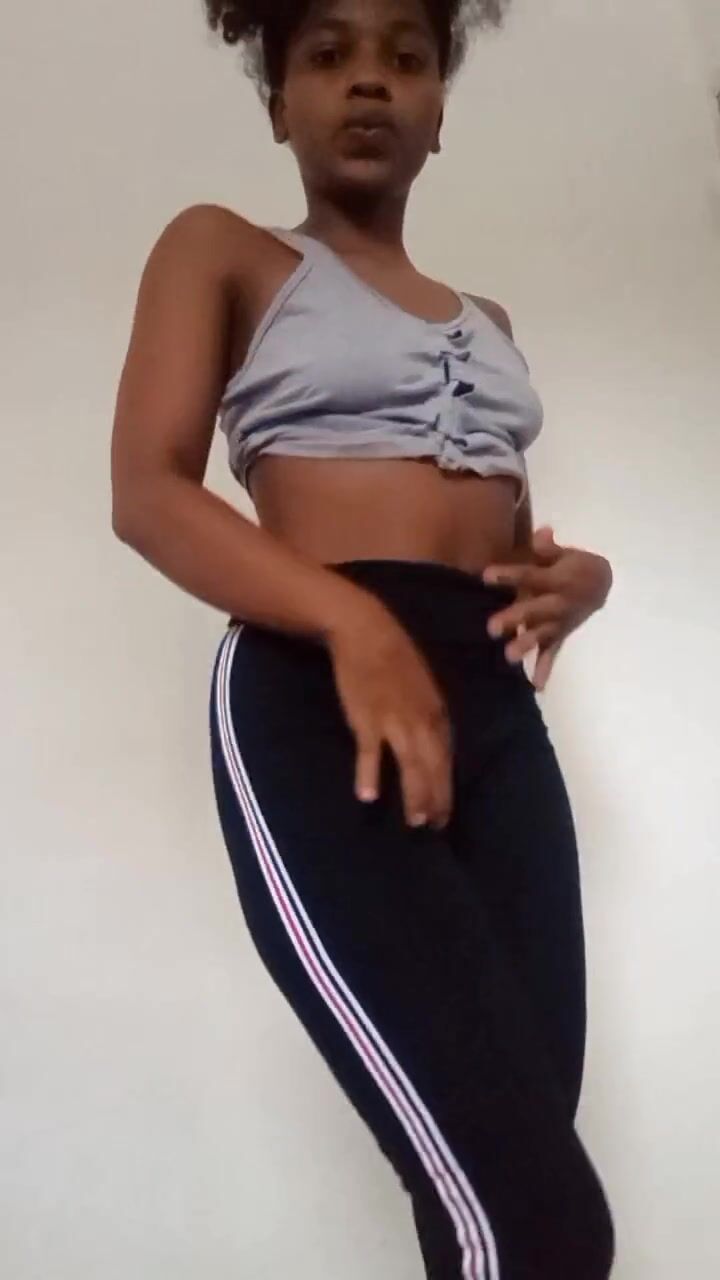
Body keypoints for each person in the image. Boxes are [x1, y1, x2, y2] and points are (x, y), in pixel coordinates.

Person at [110, 1, 617, 1275]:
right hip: (318, 686)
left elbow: (504, 540)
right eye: (328, 55)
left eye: (407, 56)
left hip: (493, 717)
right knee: (541, 1216)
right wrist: (351, 620)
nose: (371, 81)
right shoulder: (225, 251)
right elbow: (148, 493)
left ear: (441, 110)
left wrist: (580, 580)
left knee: (516, 1178)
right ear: (277, 103)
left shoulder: (490, 323)